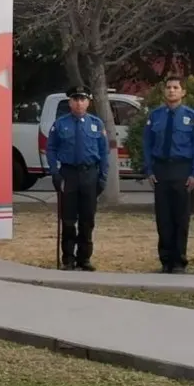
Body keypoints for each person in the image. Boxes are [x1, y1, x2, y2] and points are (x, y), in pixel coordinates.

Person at [143, 77, 194, 274]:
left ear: (182, 92)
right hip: (161, 169)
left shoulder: (192, 117)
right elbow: (147, 145)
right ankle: (165, 259)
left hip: (182, 169)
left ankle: (179, 260)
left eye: (175, 88)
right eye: (168, 87)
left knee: (181, 217)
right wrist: (150, 170)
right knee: (163, 218)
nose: (171, 91)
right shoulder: (155, 116)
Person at [47, 85, 109, 271]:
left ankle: (85, 258)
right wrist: (55, 172)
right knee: (68, 219)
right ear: (70, 102)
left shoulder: (97, 124)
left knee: (87, 219)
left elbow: (104, 152)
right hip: (69, 174)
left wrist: (103, 176)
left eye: (82, 99)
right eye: (75, 99)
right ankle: (68, 258)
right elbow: (51, 149)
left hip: (90, 174)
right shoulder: (60, 124)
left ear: (88, 102)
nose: (79, 102)